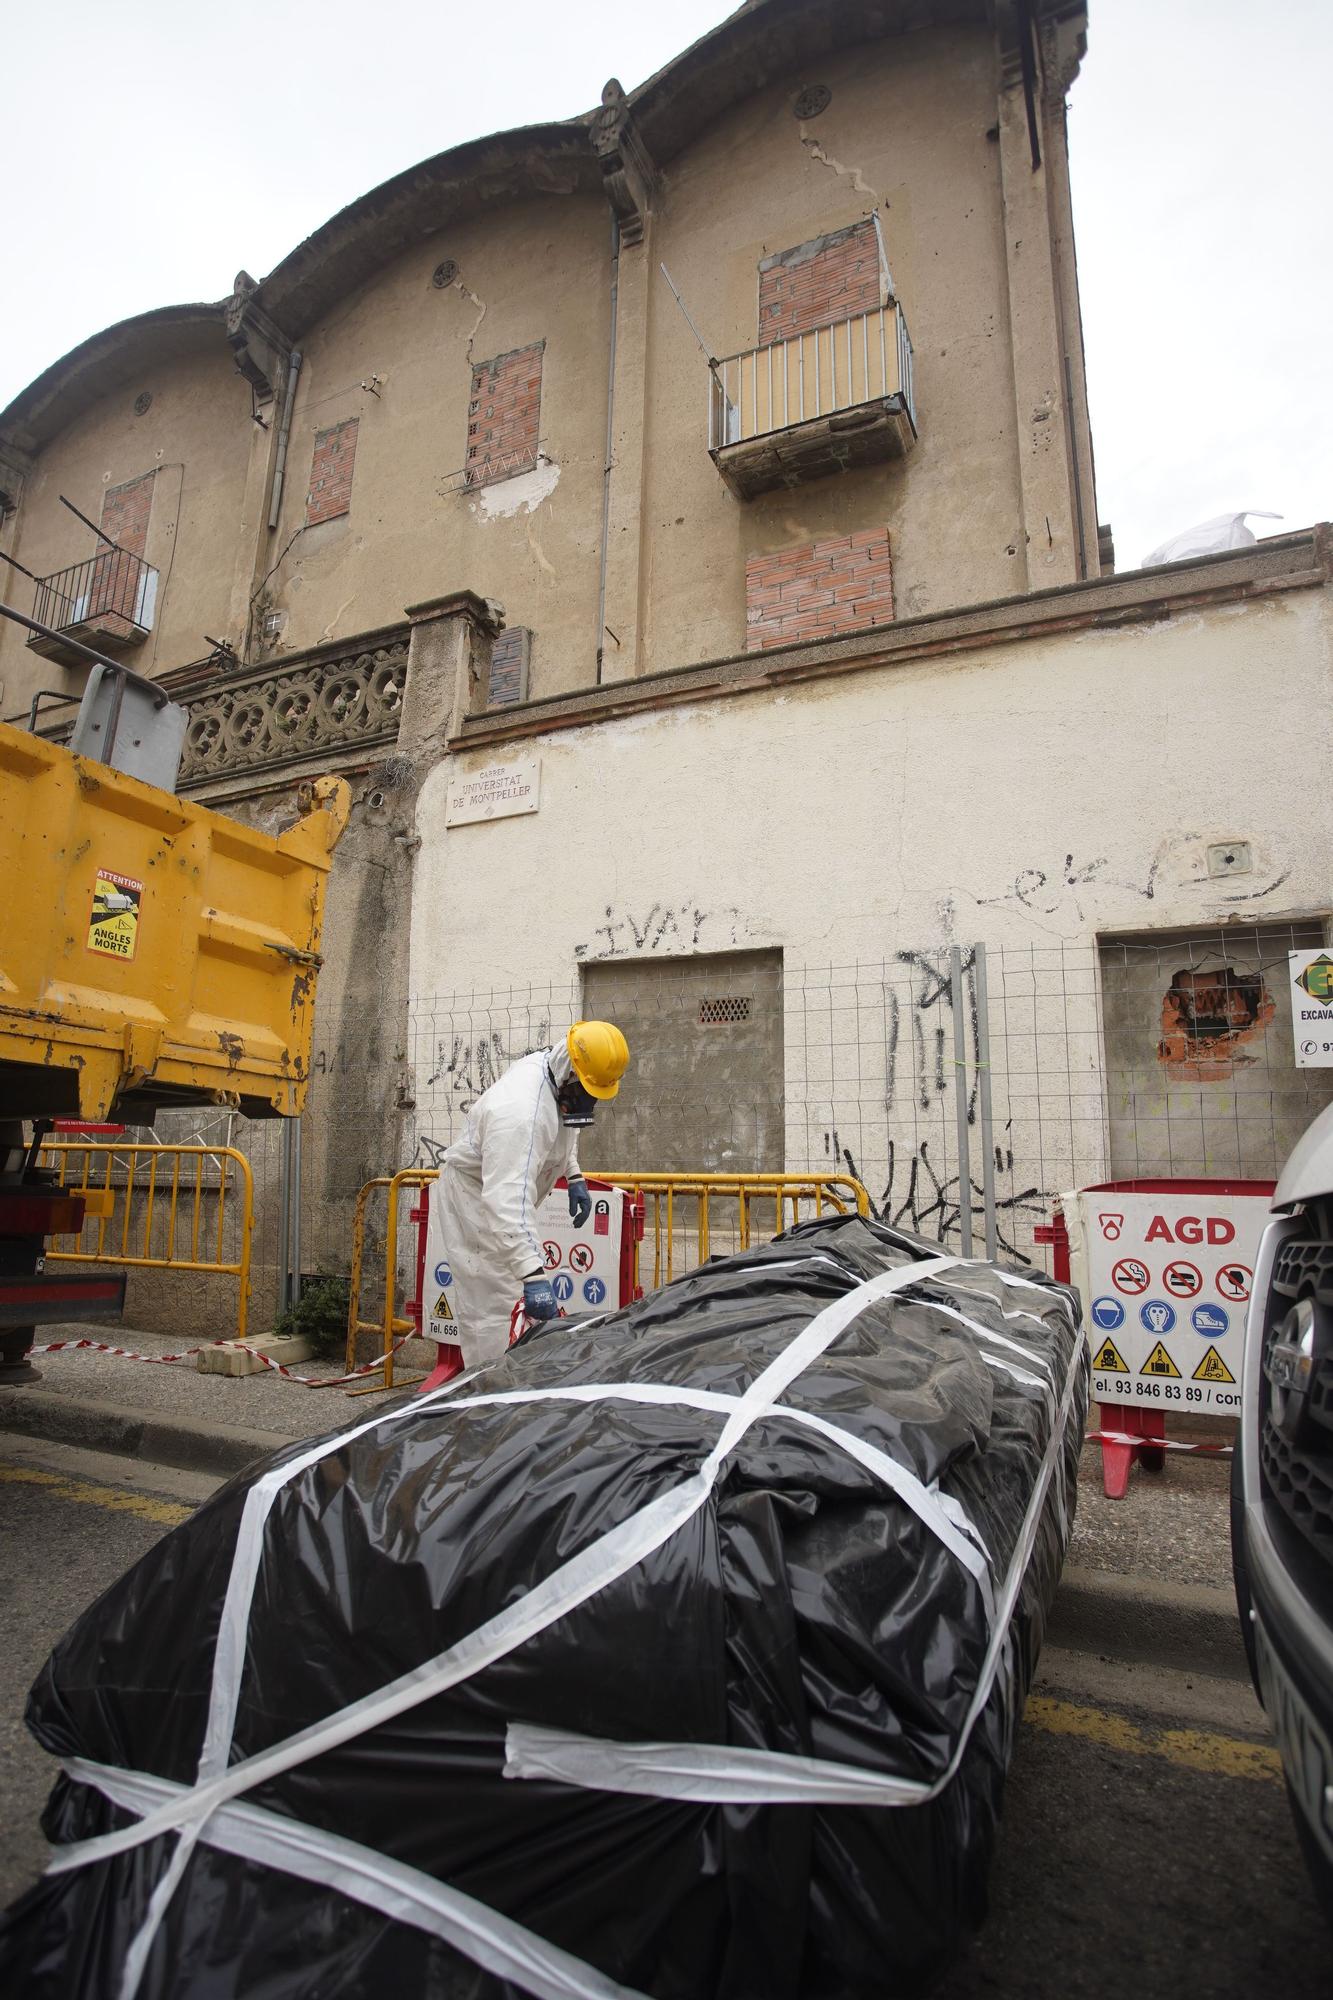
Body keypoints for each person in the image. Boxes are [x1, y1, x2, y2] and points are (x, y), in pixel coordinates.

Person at [434, 1020, 630, 1367]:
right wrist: (533, 1275)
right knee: (495, 1306)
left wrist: (574, 1175)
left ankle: (509, 1393)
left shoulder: (555, 1076)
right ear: (572, 1073)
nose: (590, 1102)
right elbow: (506, 1200)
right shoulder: (519, 1112)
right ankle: (488, 1398)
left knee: (513, 1295)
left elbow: (561, 1131)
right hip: (478, 1201)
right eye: (587, 1091)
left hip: (497, 1194)